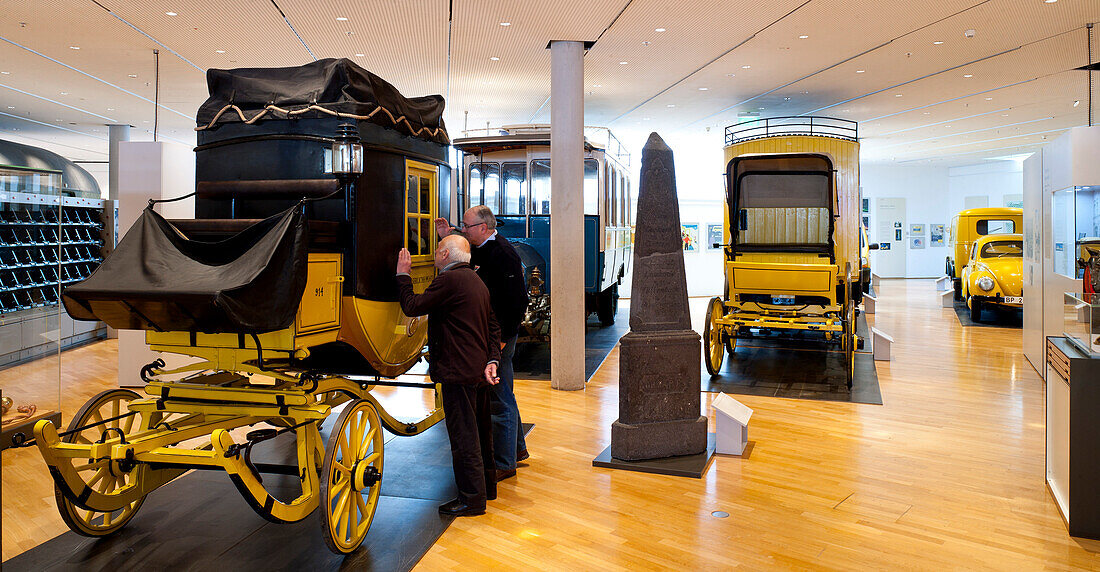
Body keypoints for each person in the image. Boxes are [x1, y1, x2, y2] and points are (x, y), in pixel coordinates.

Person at [396, 234, 501, 517]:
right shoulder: (475, 280)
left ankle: (471, 500)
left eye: (437, 250)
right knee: (480, 432)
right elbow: (493, 326)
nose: (433, 254)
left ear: (444, 255)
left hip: (458, 371)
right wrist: (492, 360)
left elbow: (413, 306)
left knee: (464, 436)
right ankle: (486, 489)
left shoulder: (449, 280)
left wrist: (403, 276)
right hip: (476, 368)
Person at [436, 206, 529, 482]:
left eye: (466, 226)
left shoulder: (503, 254)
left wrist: (500, 340)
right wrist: (448, 235)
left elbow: (518, 302)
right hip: (492, 335)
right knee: (504, 390)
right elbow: (465, 254)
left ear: (484, 228)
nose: (462, 230)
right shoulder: (482, 247)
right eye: (461, 227)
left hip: (499, 337)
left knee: (499, 397)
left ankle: (504, 462)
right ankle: (517, 450)